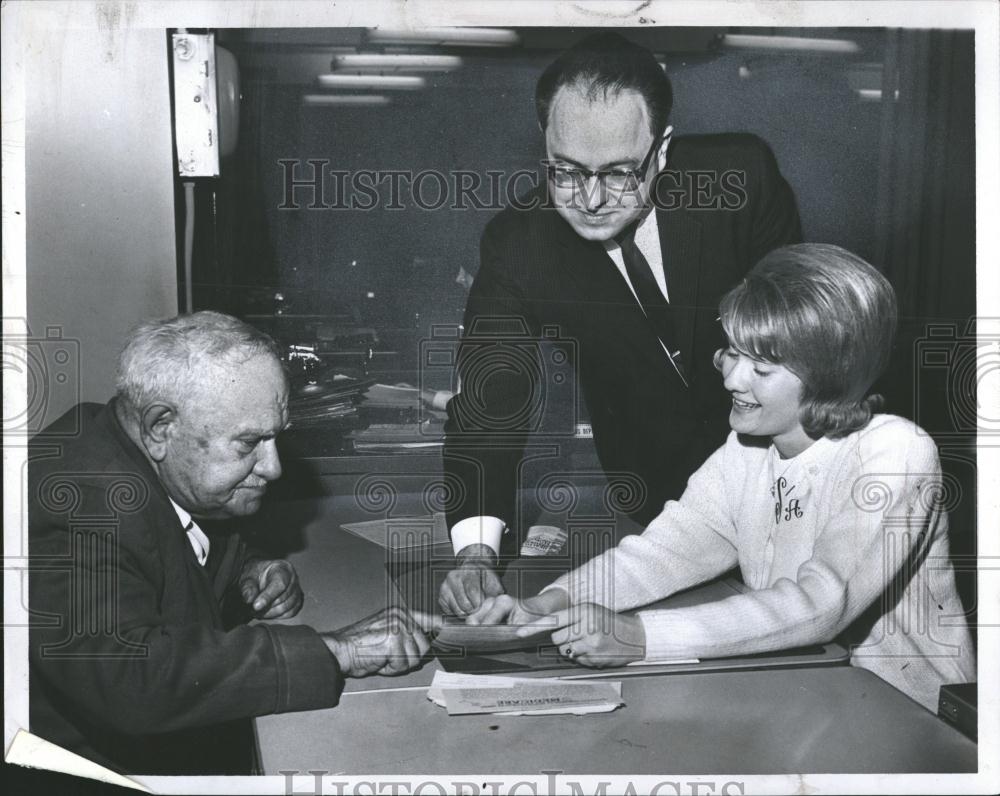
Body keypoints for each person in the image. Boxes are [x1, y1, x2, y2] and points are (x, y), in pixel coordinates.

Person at [468, 244, 976, 712]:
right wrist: (548, 604)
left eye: (762, 366)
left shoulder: (896, 452)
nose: (732, 378)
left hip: (909, 715)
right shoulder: (746, 448)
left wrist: (640, 636)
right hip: (807, 695)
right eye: (733, 352)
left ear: (830, 373)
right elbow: (663, 552)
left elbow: (822, 604)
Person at [439, 31, 802, 616]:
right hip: (660, 502)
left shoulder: (740, 180)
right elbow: (490, 398)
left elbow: (805, 347)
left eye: (618, 173)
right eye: (566, 170)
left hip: (789, 479)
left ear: (661, 153)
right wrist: (476, 552)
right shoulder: (519, 244)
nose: (590, 199)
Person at [28, 311, 431, 774]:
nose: (274, 468)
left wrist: (247, 567)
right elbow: (132, 679)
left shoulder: (135, 447)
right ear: (161, 429)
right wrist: (337, 650)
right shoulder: (77, 504)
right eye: (249, 444)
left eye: (276, 437)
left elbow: (162, 543)